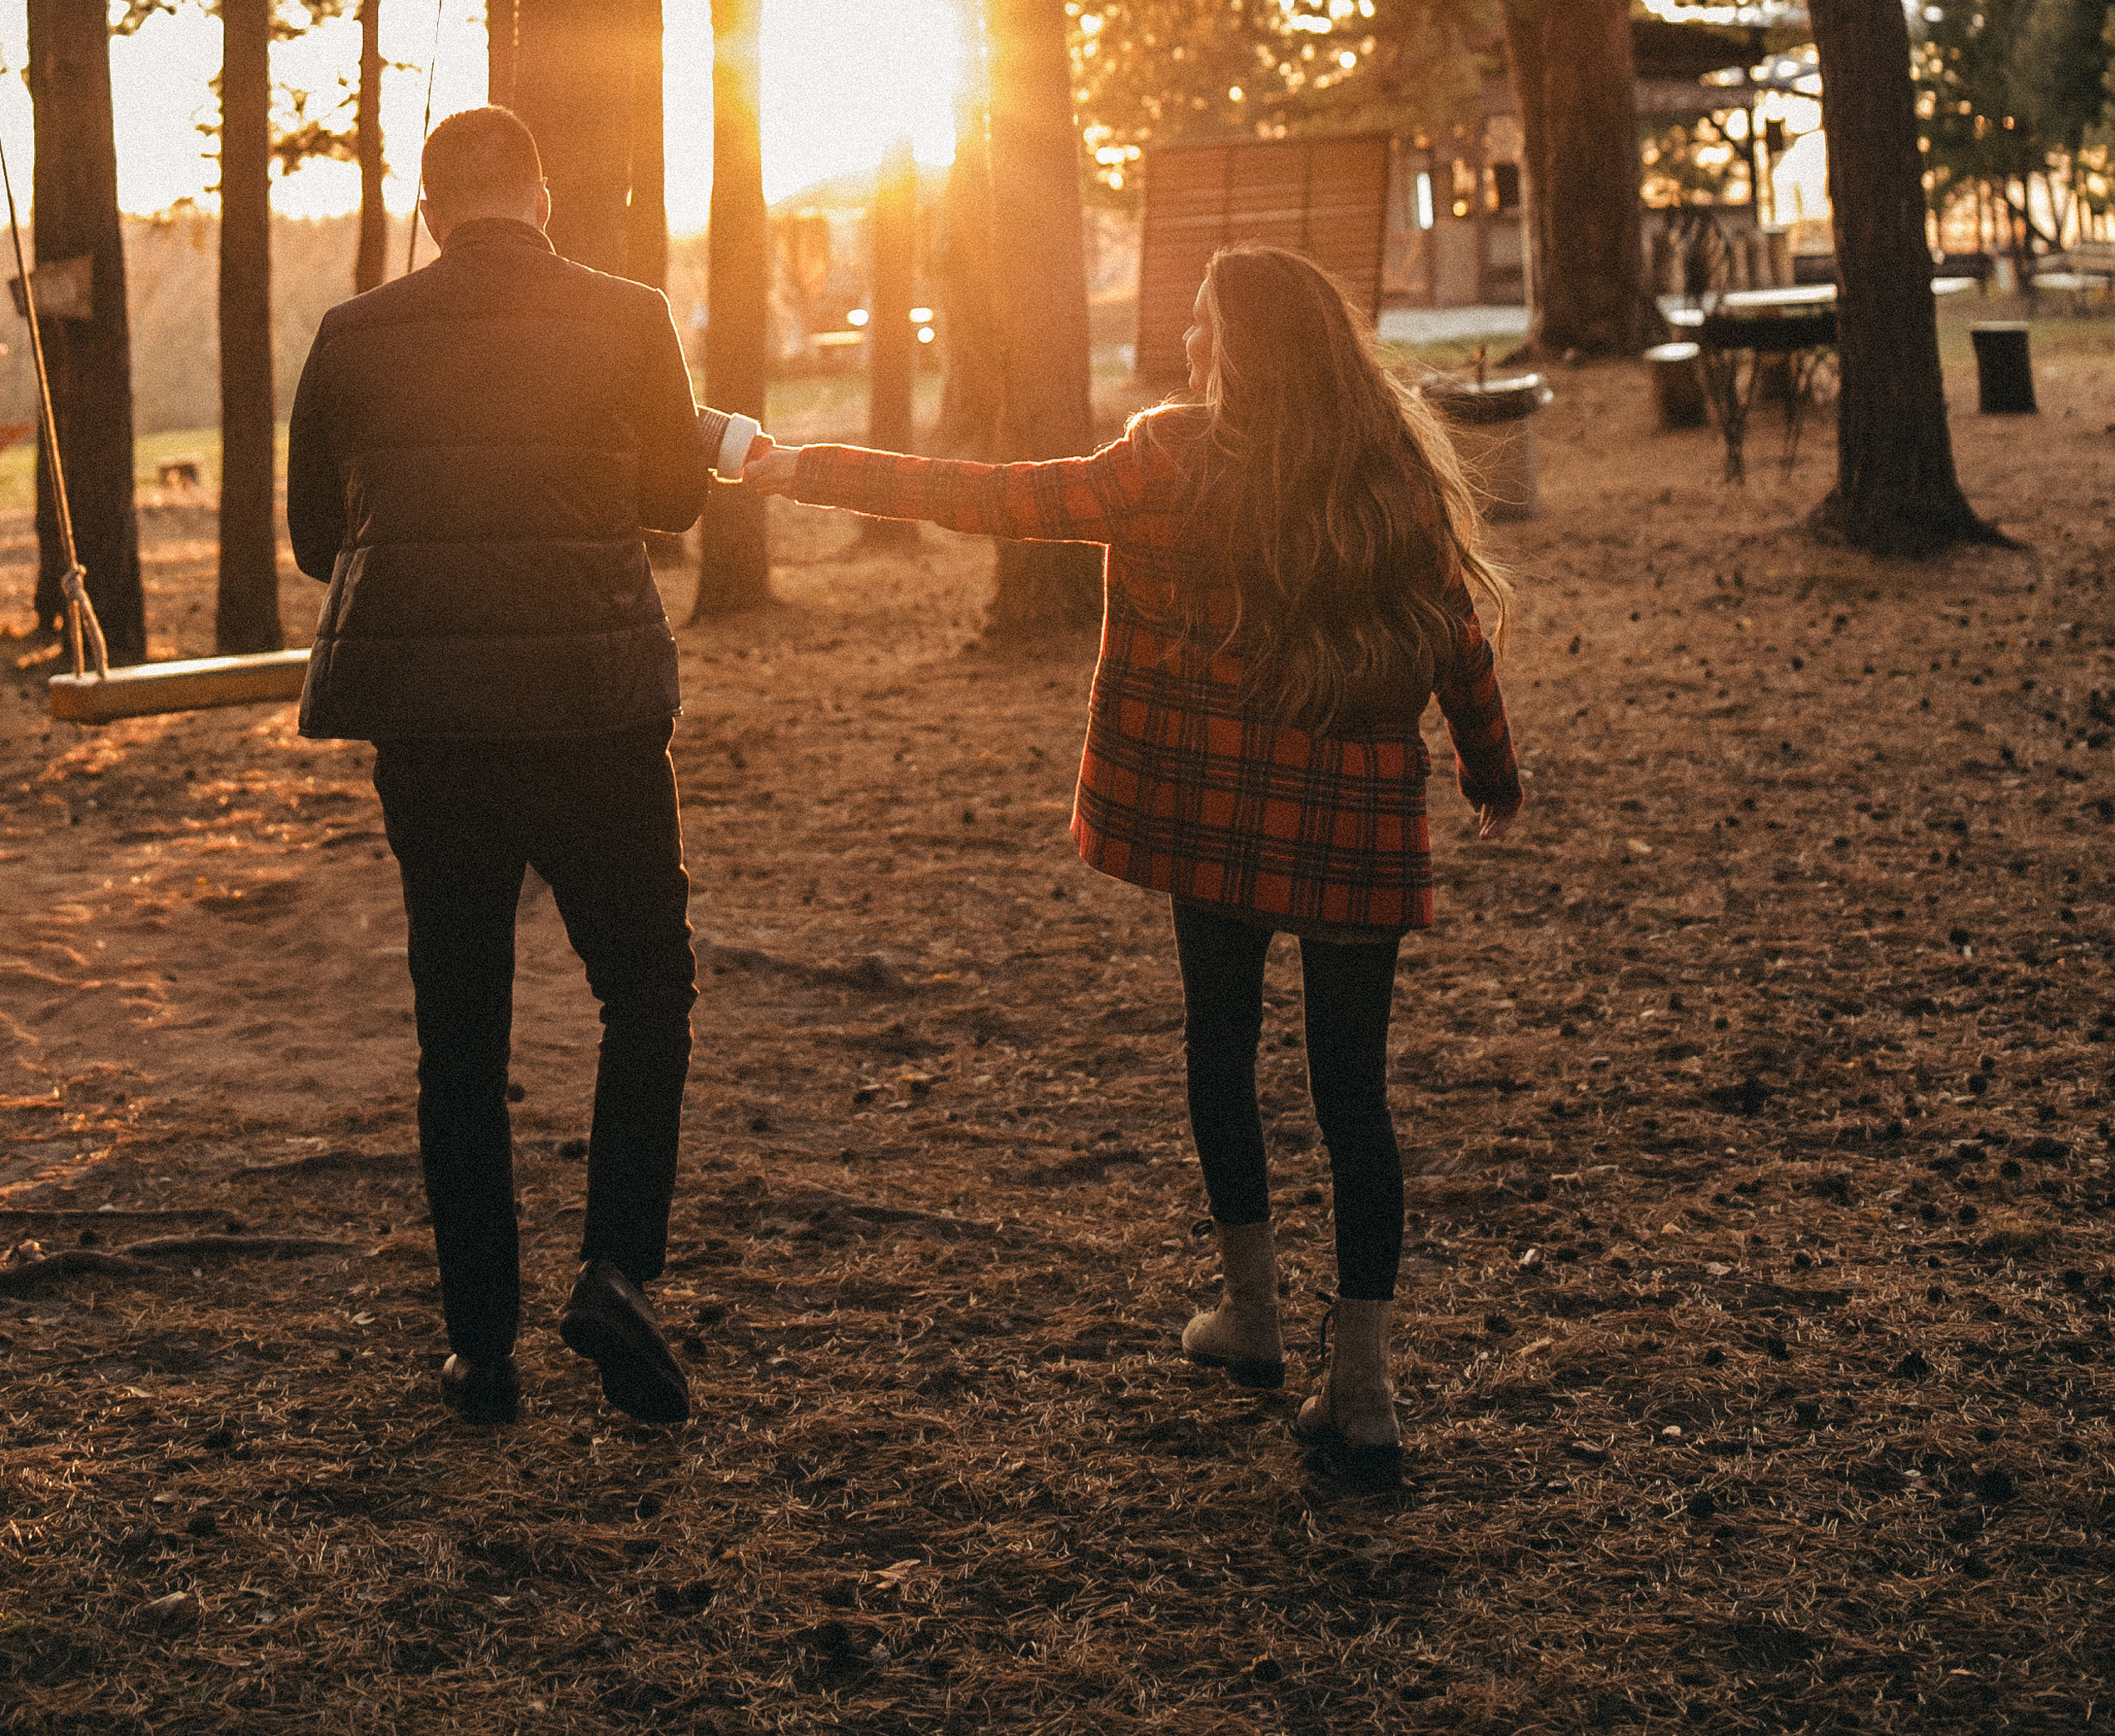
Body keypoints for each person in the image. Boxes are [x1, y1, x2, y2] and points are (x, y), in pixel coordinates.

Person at [734, 244, 1520, 1475]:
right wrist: (1489, 767)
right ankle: (1360, 1384)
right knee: (1353, 1101)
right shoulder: (1389, 472)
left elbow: (987, 495)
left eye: (1206, 326)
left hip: (1213, 820)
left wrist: (797, 470)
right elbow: (1456, 635)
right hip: (1352, 829)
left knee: (1221, 1047)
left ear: (1248, 349)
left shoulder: (1166, 464)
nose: (1191, 346)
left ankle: (1253, 1316)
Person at [287, 105, 709, 1429]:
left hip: (436, 727)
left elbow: (313, 541)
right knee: (647, 989)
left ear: (427, 210)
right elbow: (680, 501)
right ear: (543, 198)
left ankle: (481, 1345)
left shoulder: (352, 336)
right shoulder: (630, 312)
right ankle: (618, 1271)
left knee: (458, 1031)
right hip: (595, 712)